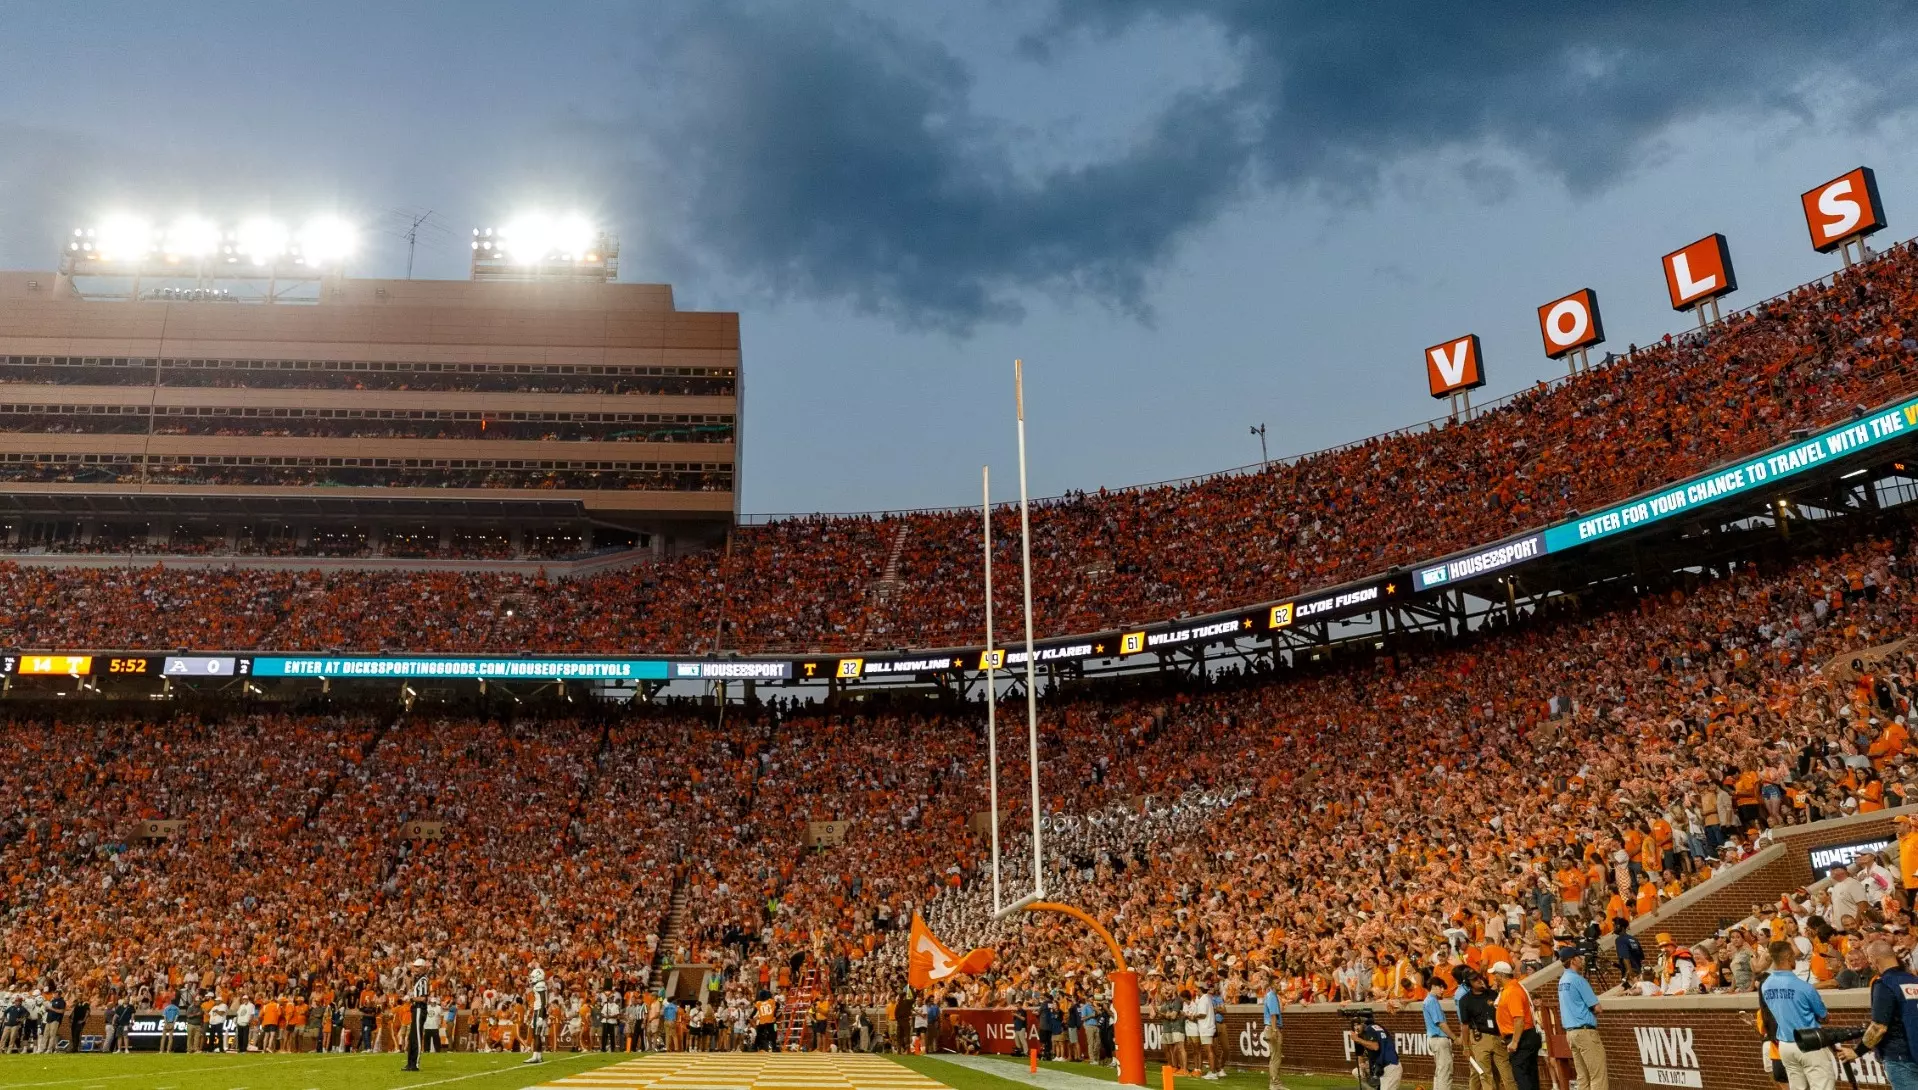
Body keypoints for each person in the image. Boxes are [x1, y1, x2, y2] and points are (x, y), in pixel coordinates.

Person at [1838, 938, 1918, 1090]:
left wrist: (1857, 1051)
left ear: (1873, 959)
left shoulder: (1884, 984)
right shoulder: (1914, 980)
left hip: (1900, 1058)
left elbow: (1879, 1027)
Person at [1762, 940, 1836, 1090]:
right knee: (1823, 1087)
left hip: (1785, 1045)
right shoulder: (1803, 987)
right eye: (1793, 957)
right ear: (1789, 958)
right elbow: (1824, 1017)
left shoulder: (1766, 985)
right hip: (1809, 1041)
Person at [1557, 948, 1607, 1090]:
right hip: (1585, 1032)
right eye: (1579, 957)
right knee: (1598, 1076)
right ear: (1573, 960)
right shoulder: (1577, 979)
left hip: (1571, 1033)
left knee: (1582, 1077)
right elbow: (1597, 1008)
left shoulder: (1562, 981)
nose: (1582, 959)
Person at [1493, 962, 1540, 1090]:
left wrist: (1514, 1042)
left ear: (1501, 975)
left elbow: (1519, 1019)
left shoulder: (1512, 991)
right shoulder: (1511, 988)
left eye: (1495, 974)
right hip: (1524, 1036)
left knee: (1522, 1075)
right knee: (1529, 1074)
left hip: (1522, 1038)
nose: (1493, 977)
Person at [1351, 1008, 1403, 1090]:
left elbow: (1375, 1046)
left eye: (1358, 1024)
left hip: (1390, 1068)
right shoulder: (1362, 1034)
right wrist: (1362, 1065)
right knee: (1357, 1072)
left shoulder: (1370, 1029)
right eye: (1354, 1025)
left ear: (1364, 1023)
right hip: (1378, 1067)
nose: (1356, 1027)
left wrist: (1357, 1040)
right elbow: (1360, 1055)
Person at [1421, 970, 1452, 1090]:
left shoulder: (1428, 1000)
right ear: (1433, 987)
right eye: (1441, 987)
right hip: (1439, 1038)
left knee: (1440, 1071)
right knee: (1445, 1072)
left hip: (1433, 1039)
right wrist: (1454, 1037)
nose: (1442, 990)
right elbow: (1440, 1023)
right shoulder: (1432, 1001)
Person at [404, 957, 430, 1072]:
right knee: (412, 1037)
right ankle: (410, 1063)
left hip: (420, 1008)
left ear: (423, 968)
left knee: (417, 1037)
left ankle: (415, 1063)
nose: (416, 969)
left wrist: (411, 998)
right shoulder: (417, 979)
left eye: (418, 967)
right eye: (415, 967)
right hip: (415, 1009)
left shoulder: (423, 980)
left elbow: (423, 998)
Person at [524, 966, 549, 1065]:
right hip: (538, 1010)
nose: (532, 978)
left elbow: (543, 1002)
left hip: (539, 1010)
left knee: (537, 1034)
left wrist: (540, 1016)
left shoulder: (540, 985)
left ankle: (535, 1056)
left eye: (533, 976)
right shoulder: (540, 984)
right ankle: (538, 1056)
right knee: (536, 1034)